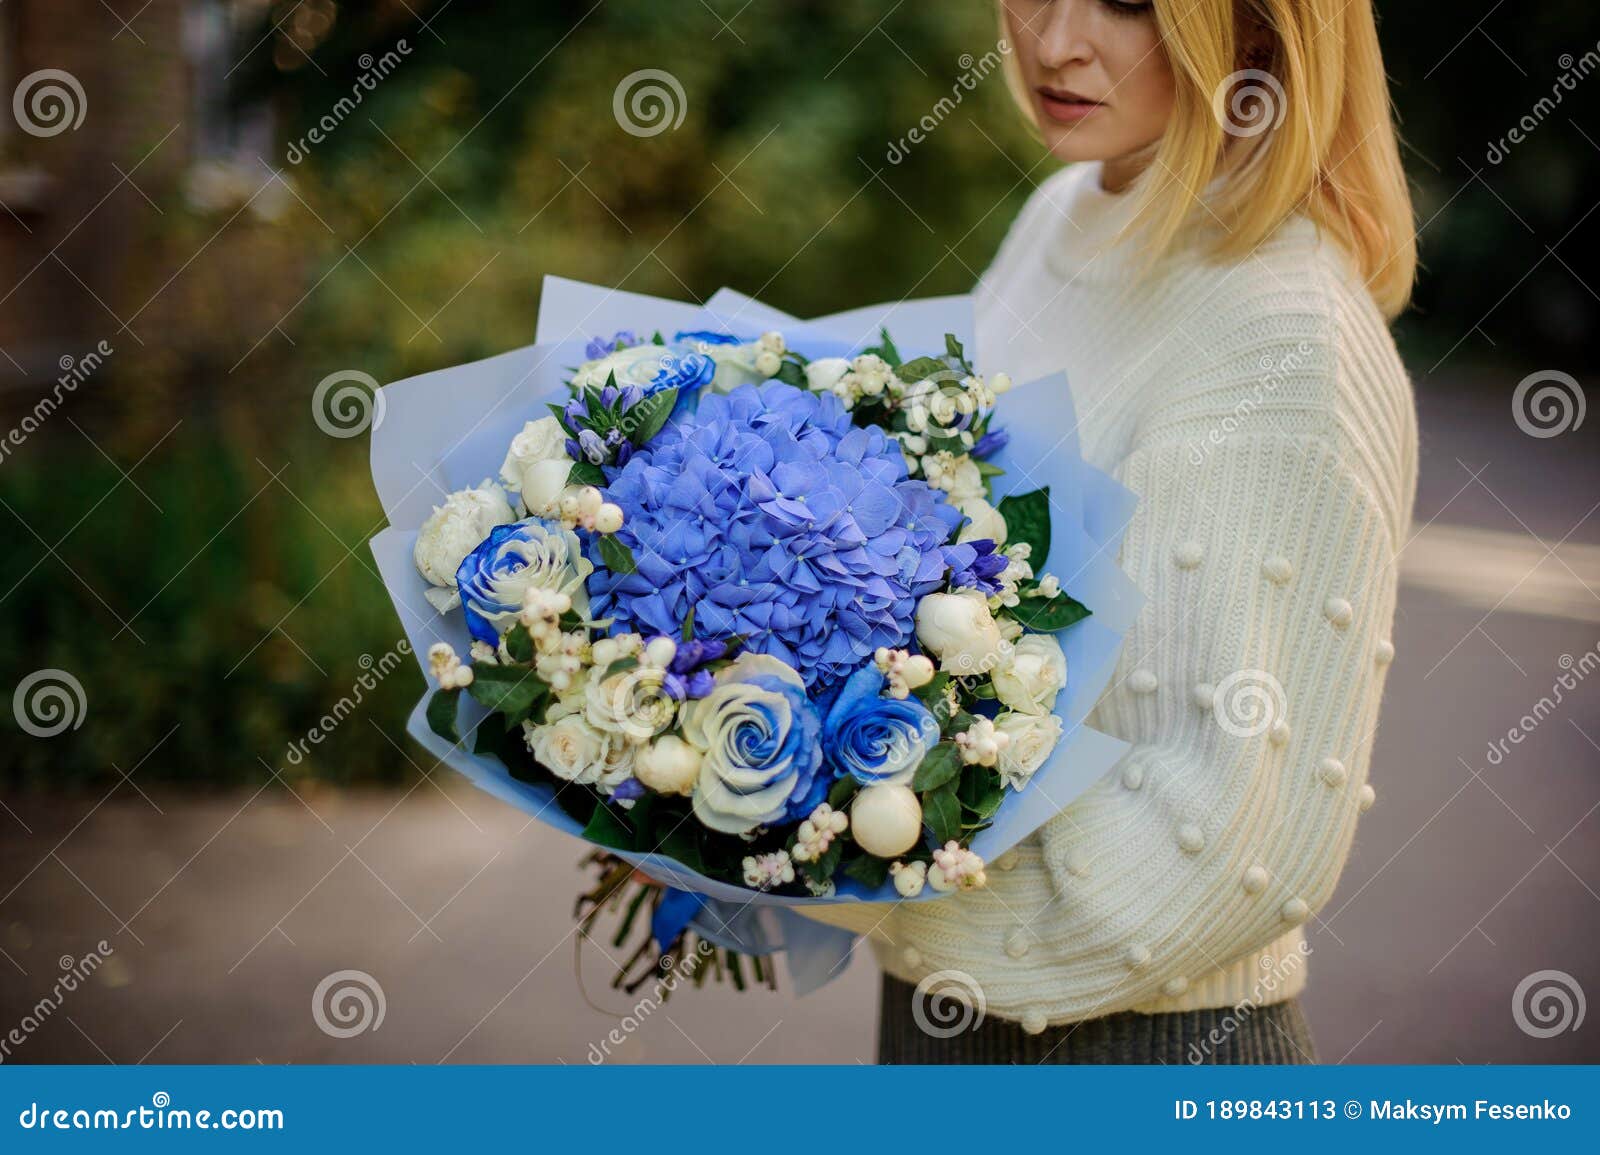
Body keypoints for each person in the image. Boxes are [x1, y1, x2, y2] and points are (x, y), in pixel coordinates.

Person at [809, 0, 1419, 1064]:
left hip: (1133, 1052)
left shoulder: (1281, 337)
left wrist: (812, 842)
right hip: (939, 1015)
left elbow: (1227, 851)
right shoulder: (1062, 212)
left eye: (1131, 2)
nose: (1053, 41)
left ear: (1263, 33)